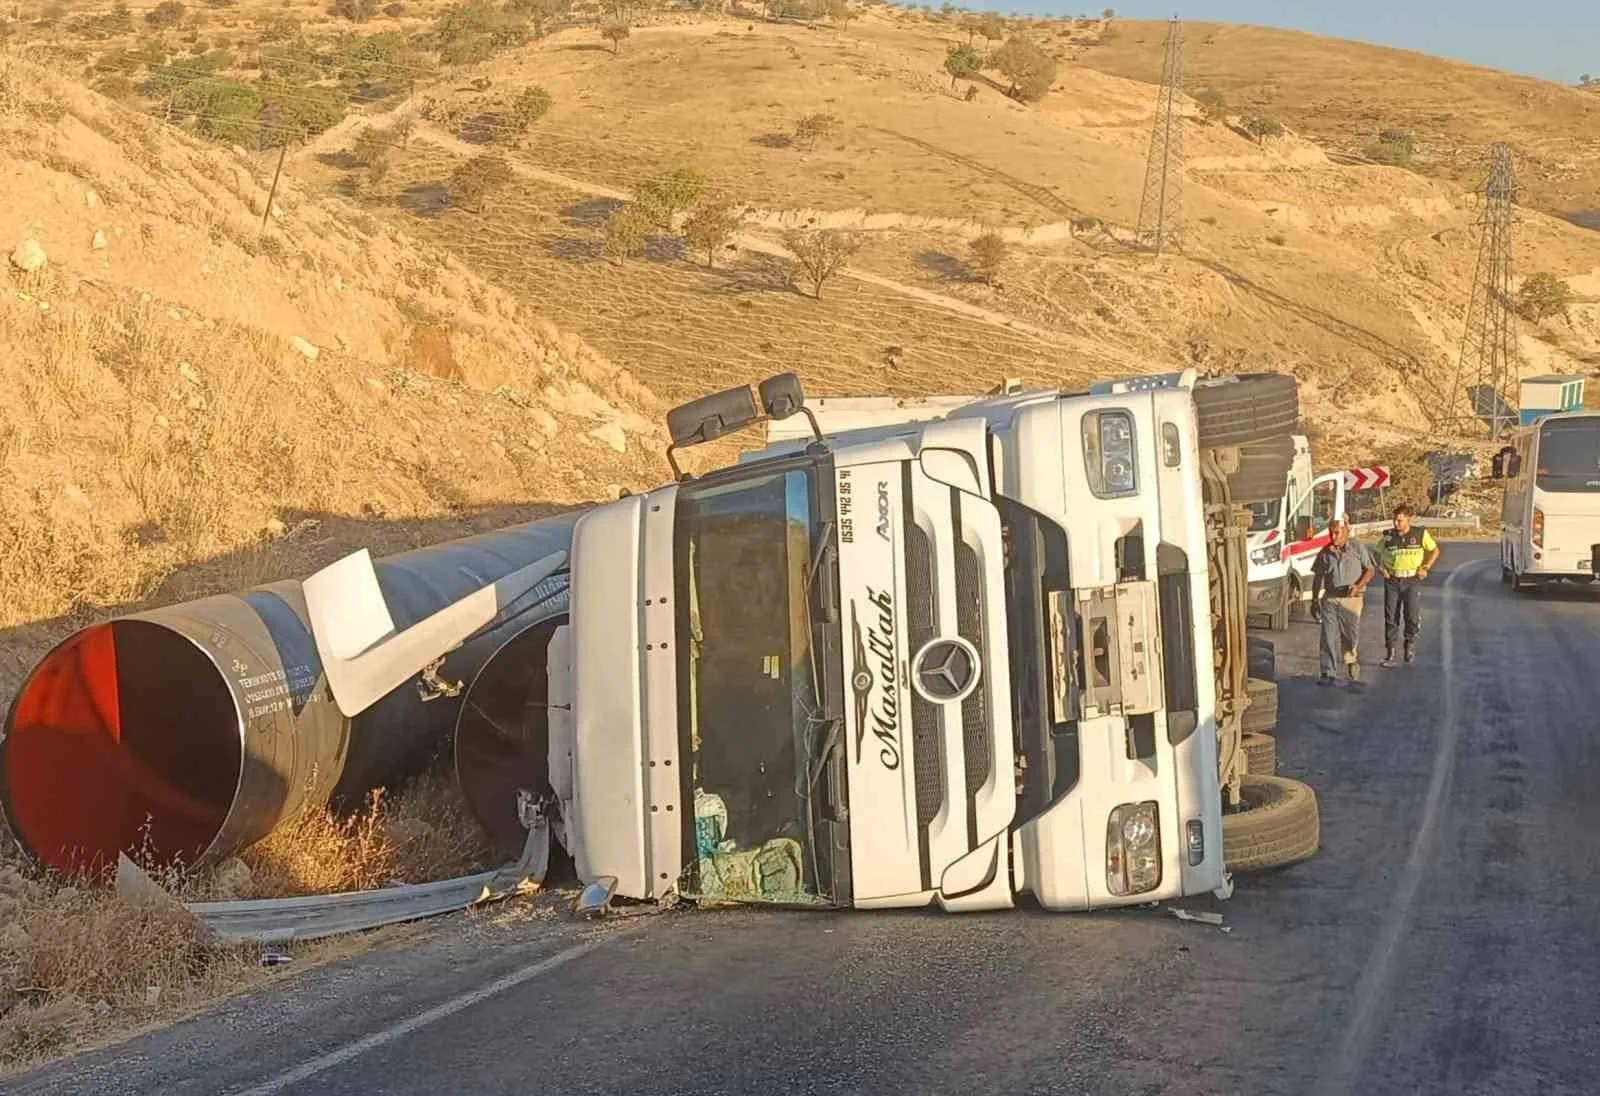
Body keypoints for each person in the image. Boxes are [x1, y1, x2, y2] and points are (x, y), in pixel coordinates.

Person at [1310, 515, 1378, 685]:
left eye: (1337, 533)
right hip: (1331, 598)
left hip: (1351, 598)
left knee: (1349, 635)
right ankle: (1327, 671)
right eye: (1330, 533)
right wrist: (1314, 600)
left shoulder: (1357, 547)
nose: (1333, 537)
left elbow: (1370, 570)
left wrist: (1358, 586)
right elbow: (1318, 577)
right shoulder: (1325, 552)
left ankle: (1351, 660)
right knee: (1327, 635)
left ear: (1346, 532)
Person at [1378, 503, 1441, 667]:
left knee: (1411, 615)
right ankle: (1390, 652)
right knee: (1391, 617)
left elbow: (1435, 550)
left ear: (1408, 520)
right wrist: (1382, 568)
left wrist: (1426, 567)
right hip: (1393, 580)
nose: (1396, 523)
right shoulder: (1388, 536)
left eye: (1399, 520)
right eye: (1394, 520)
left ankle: (1409, 645)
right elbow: (1377, 553)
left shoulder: (1420, 534)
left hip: (1412, 580)